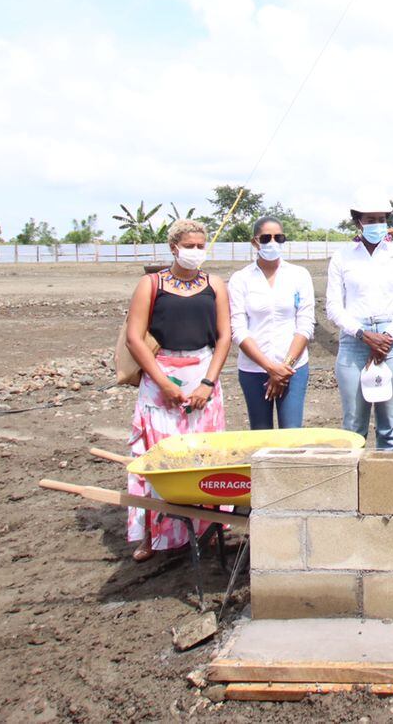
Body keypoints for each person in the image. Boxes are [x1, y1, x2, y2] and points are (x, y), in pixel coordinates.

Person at [122, 218, 232, 562]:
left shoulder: (214, 284)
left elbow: (225, 336)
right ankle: (151, 534)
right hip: (162, 376)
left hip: (202, 373)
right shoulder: (151, 284)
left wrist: (208, 383)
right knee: (158, 457)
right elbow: (134, 338)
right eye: (190, 246)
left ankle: (206, 526)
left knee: (202, 455)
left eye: (201, 246)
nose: (196, 252)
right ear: (174, 248)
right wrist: (165, 383)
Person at [326, 188, 393, 449]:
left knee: (389, 425)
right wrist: (364, 335)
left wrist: (387, 337)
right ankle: (354, 486)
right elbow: (333, 306)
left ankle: (384, 488)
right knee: (354, 425)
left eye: (382, 219)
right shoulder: (342, 257)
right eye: (370, 219)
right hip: (355, 342)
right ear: (358, 222)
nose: (377, 225)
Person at [229, 216, 315, 430]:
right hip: (253, 370)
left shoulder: (299, 275)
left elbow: (305, 324)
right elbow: (238, 329)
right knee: (260, 434)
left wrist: (284, 367)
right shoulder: (241, 279)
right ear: (254, 242)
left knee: (291, 434)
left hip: (292, 369)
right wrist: (269, 367)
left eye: (279, 237)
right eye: (266, 238)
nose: (273, 243)